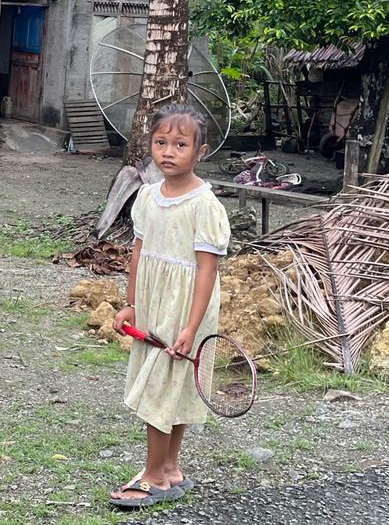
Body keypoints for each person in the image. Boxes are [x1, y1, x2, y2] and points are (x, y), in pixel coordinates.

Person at [109, 102, 230, 508]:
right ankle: (170, 468)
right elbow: (138, 253)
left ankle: (153, 476)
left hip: (186, 311)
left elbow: (206, 271)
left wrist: (191, 328)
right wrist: (131, 304)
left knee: (161, 390)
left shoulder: (205, 205)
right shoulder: (146, 197)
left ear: (201, 151)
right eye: (161, 142)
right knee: (166, 388)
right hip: (152, 304)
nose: (168, 152)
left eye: (180, 144)